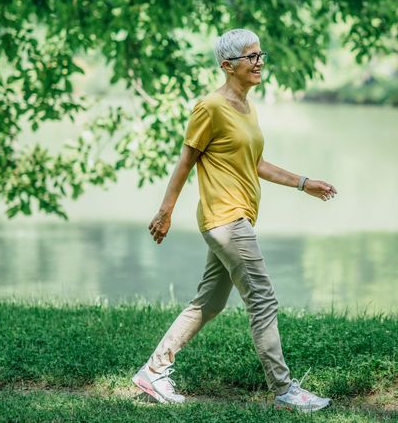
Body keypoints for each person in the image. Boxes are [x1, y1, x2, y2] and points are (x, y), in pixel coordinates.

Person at [131, 28, 337, 413]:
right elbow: (186, 161)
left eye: (261, 55)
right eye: (251, 57)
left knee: (208, 303)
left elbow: (254, 163)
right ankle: (285, 391)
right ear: (228, 65)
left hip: (236, 217)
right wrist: (165, 210)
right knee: (262, 298)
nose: (260, 63)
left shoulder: (247, 108)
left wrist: (303, 182)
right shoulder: (210, 107)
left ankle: (153, 372)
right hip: (225, 220)